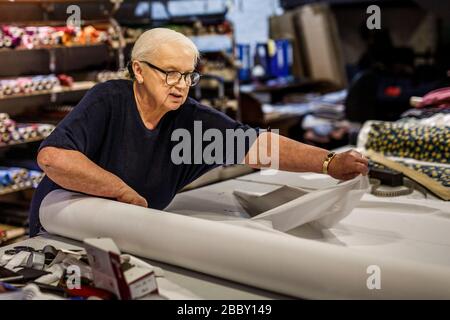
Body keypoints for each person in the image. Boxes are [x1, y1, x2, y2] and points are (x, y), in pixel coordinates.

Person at [30, 28, 368, 237]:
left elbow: (259, 146)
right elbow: (53, 157)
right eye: (170, 73)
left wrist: (329, 162)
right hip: (62, 230)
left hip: (123, 236)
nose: (181, 86)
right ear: (139, 70)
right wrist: (121, 192)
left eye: (188, 76)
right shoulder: (110, 101)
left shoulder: (190, 122)